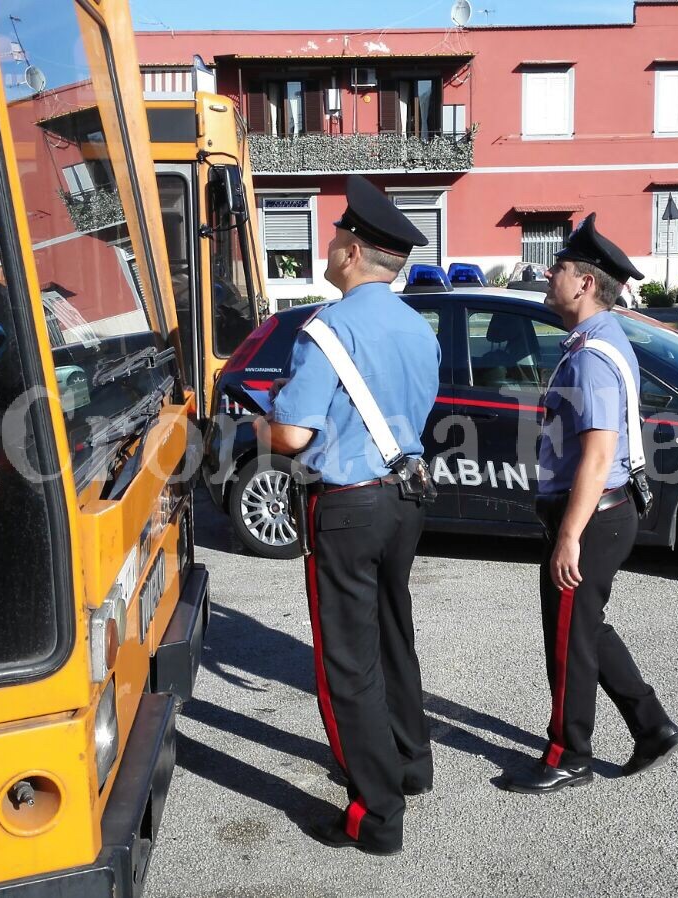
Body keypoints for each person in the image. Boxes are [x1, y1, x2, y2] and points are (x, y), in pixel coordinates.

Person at [254, 175, 440, 855]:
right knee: (395, 637)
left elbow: (295, 436)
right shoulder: (420, 327)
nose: (328, 247)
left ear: (352, 252)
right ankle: (412, 764)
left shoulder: (327, 327)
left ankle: (376, 813)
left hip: (347, 506)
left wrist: (237, 432)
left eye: (335, 238)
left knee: (347, 664)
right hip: (404, 497)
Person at [498, 213, 678, 795]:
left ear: (583, 283)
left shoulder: (591, 356)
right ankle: (651, 726)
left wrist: (569, 534)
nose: (547, 274)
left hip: (595, 513)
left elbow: (599, 456)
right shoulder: (594, 341)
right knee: (584, 628)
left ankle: (570, 753)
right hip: (603, 511)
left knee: (567, 640)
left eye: (557, 268)